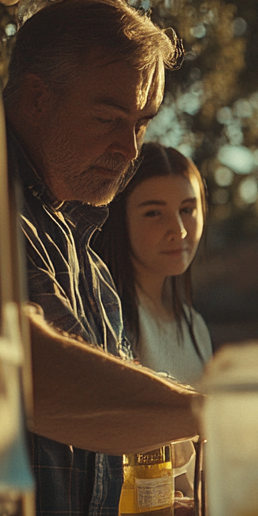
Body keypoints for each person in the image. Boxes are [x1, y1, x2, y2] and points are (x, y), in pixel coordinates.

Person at [3, 0, 197, 516]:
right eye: (110, 119)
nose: (130, 147)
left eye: (142, 122)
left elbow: (96, 448)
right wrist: (223, 410)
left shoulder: (90, 264)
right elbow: (32, 374)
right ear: (36, 98)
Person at [92, 142, 212, 497]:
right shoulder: (109, 314)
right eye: (153, 213)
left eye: (188, 209)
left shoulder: (195, 327)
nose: (179, 229)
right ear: (120, 217)